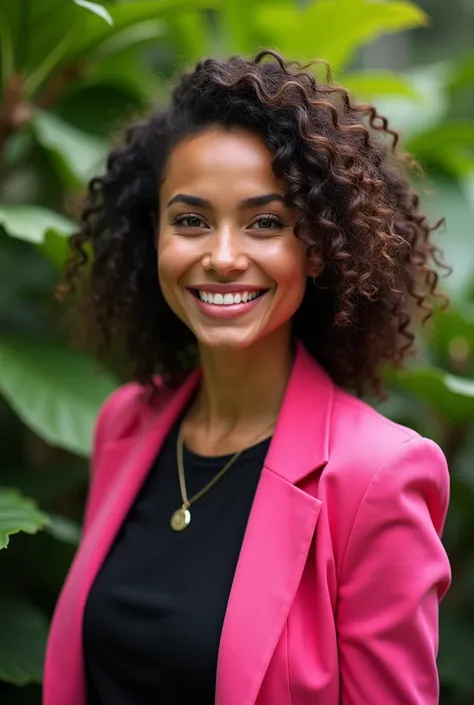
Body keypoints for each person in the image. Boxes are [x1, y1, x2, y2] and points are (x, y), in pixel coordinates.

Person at [43, 50, 452, 705]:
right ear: (154, 236)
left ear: (316, 244)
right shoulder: (125, 422)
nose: (224, 256)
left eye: (265, 222)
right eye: (191, 220)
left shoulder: (378, 476)